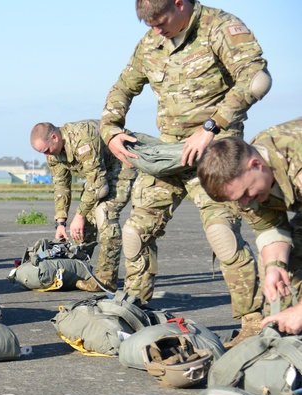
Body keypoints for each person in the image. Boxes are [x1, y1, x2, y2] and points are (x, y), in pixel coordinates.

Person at [100, 0, 272, 343]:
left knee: (222, 235)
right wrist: (111, 129)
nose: (155, 30)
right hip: (168, 154)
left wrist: (212, 125)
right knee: (136, 233)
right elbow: (123, 86)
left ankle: (252, 322)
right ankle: (137, 310)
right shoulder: (152, 40)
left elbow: (256, 79)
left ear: (181, 4)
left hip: (216, 151)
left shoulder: (219, 27)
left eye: (160, 21)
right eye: (148, 24)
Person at [197, 119, 302, 333]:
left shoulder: (297, 162)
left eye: (246, 193)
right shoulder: (248, 181)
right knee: (289, 264)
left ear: (255, 165)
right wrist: (275, 266)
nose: (245, 202)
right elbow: (270, 227)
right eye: (237, 199)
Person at [31, 120, 136, 291]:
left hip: (124, 163)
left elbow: (98, 184)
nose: (46, 155)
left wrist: (78, 216)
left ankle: (106, 279)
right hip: (101, 172)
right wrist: (61, 223)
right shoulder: (54, 154)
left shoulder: (82, 138)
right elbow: (61, 186)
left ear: (54, 137)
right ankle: (80, 271)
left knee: (105, 214)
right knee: (86, 220)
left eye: (46, 150)